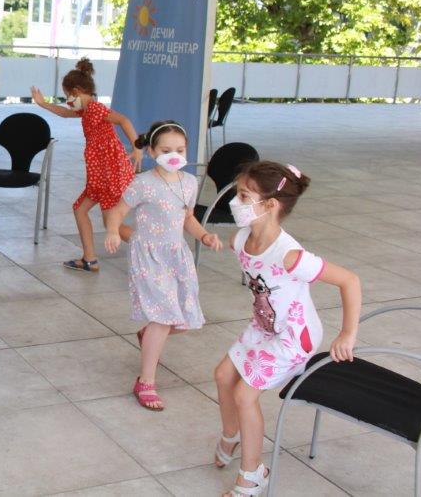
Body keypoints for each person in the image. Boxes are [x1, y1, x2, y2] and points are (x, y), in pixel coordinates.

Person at [212, 161, 360, 497]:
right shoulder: (241, 239)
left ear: (269, 205)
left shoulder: (291, 255)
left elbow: (350, 280)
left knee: (244, 395)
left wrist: (347, 334)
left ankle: (253, 475)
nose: (235, 202)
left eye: (243, 196)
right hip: (265, 327)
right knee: (222, 375)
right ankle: (232, 434)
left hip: (294, 337)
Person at [104, 121, 222, 410]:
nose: (174, 155)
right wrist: (113, 231)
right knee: (164, 318)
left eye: (180, 150)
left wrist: (204, 235)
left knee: (183, 318)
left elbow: (187, 218)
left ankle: (148, 335)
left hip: (176, 255)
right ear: (152, 151)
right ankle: (146, 382)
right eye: (166, 150)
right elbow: (117, 211)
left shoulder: (189, 182)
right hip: (148, 256)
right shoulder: (143, 183)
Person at [31, 58, 143, 272]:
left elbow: (124, 120)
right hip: (99, 175)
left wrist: (137, 147)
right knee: (80, 209)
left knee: (112, 225)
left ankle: (154, 246)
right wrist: (43, 103)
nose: (68, 101)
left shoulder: (96, 109)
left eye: (68, 96)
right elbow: (65, 113)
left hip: (109, 175)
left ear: (78, 91)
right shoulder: (87, 109)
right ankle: (89, 259)